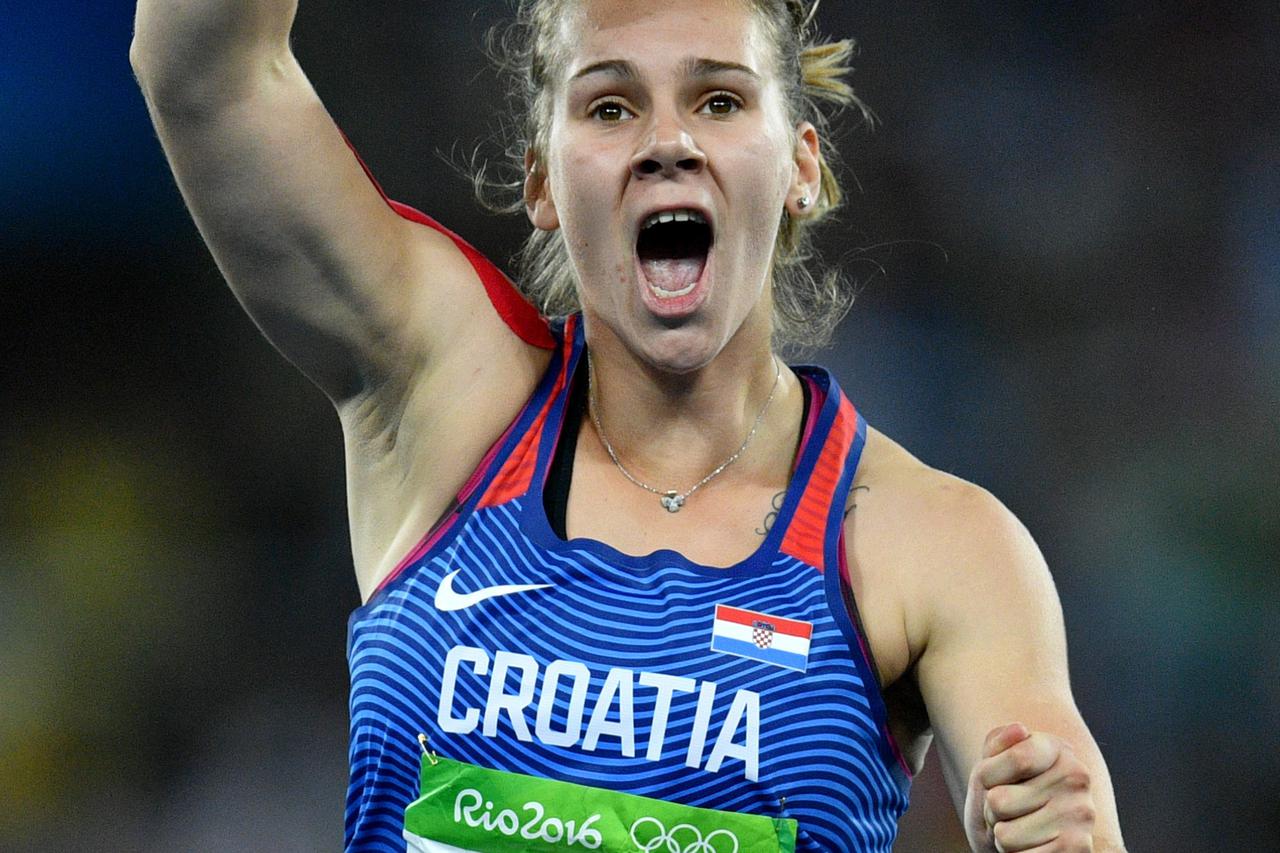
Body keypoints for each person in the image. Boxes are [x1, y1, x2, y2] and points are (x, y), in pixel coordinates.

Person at [131, 0, 1127, 850]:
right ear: (541, 182)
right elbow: (203, 71)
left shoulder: (934, 543)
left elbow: (1057, 807)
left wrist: (1051, 826)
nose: (667, 142)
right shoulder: (443, 401)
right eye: (610, 105)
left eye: (719, 100)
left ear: (800, 167)